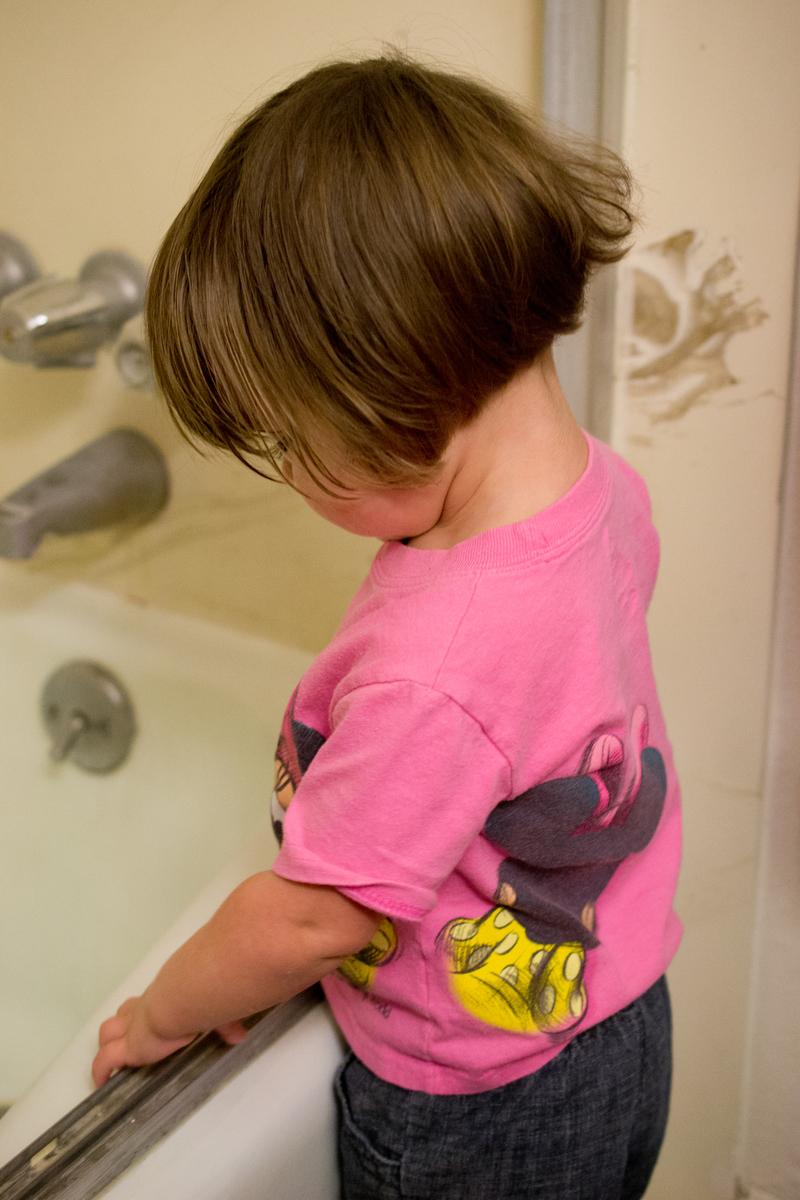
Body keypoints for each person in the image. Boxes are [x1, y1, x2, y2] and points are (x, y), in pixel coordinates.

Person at [92, 56, 681, 1200]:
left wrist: (166, 1006)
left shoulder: (435, 667)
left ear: (389, 381)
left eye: (287, 440)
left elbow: (312, 922)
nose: (288, 478)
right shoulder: (601, 490)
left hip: (469, 1103)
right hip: (619, 1020)